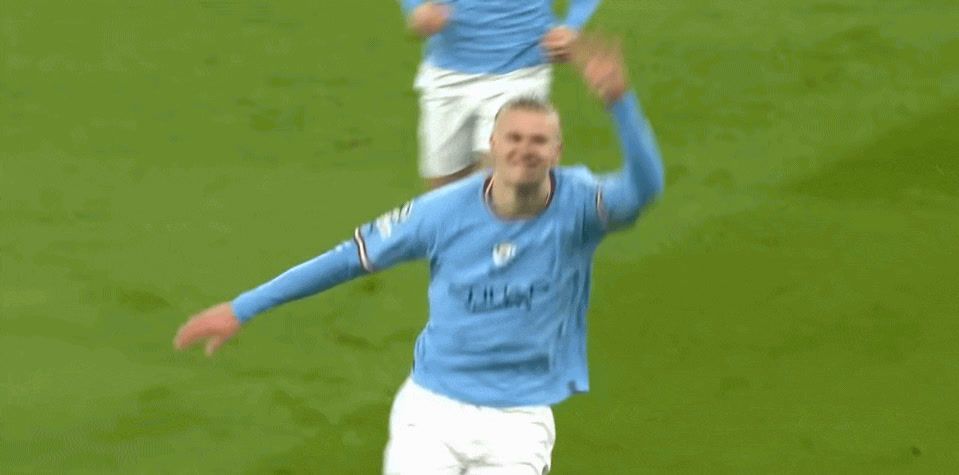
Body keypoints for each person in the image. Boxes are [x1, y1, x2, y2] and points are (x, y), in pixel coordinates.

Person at [175, 36, 664, 474]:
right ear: (492, 146)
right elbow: (347, 258)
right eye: (513, 138)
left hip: (520, 420)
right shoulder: (441, 213)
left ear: (556, 151)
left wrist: (619, 103)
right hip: (433, 411)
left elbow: (644, 189)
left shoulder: (582, 206)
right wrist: (243, 308)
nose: (525, 150)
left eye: (539, 141)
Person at [400, 0, 603, 188]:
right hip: (447, 73)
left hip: (520, 69)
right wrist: (417, 7)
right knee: (445, 189)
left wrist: (572, 26)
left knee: (503, 186)